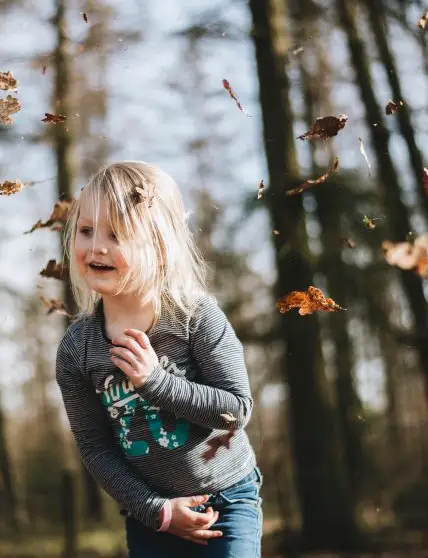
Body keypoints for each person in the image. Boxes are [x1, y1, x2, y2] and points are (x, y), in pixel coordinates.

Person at [54, 161, 262, 557]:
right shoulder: (76, 351)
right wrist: (156, 510)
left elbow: (237, 409)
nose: (96, 246)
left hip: (226, 499)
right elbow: (96, 448)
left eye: (117, 234)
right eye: (86, 230)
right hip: (151, 512)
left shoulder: (195, 317)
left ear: (159, 246)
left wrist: (158, 383)